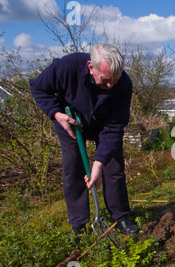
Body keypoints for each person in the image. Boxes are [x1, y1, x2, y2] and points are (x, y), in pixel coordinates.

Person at [29, 43, 139, 237]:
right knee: (73, 167)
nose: (110, 85)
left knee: (113, 166)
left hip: (104, 125)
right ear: (90, 66)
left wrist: (98, 164)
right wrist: (56, 114)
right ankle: (78, 223)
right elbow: (38, 87)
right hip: (70, 121)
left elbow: (114, 128)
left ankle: (120, 216)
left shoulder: (123, 85)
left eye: (115, 79)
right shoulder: (65, 68)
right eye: (105, 80)